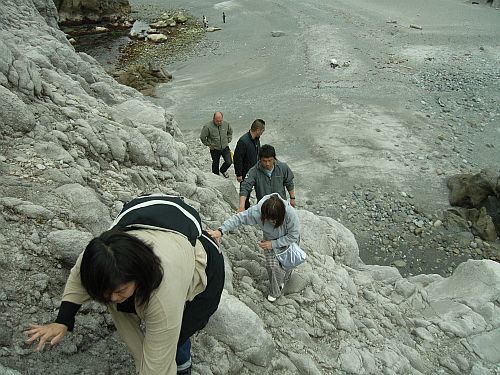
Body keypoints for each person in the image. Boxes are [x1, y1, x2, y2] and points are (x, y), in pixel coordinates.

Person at [25, 195, 225, 375]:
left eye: (119, 290)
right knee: (122, 306)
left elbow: (157, 365)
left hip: (205, 270)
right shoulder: (102, 255)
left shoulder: (164, 289)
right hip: (161, 243)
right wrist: (63, 320)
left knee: (174, 339)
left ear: (139, 276)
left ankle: (183, 367)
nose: (112, 298)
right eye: (106, 292)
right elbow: (79, 278)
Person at [208, 193, 299, 302]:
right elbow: (239, 218)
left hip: (288, 241)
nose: (272, 222)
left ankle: (285, 278)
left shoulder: (290, 213)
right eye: (269, 220)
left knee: (287, 264)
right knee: (272, 266)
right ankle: (276, 291)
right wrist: (221, 231)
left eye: (275, 221)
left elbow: (293, 235)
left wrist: (274, 244)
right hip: (269, 240)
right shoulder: (257, 212)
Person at [238, 144, 295, 212]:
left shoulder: (283, 167)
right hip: (264, 208)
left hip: (281, 206)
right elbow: (245, 187)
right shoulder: (254, 171)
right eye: (264, 161)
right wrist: (241, 206)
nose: (267, 164)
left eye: (269, 160)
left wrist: (292, 198)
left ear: (274, 158)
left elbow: (289, 183)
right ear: (260, 159)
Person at [233, 119, 266, 209]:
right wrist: (239, 174)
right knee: (245, 194)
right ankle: (245, 211)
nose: (263, 133)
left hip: (256, 171)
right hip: (245, 173)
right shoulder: (243, 141)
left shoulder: (256, 140)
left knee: (260, 191)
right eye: (262, 131)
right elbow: (237, 158)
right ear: (258, 130)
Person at [200, 111, 233, 178]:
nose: (219, 122)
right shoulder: (207, 126)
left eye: (220, 121)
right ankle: (216, 177)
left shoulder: (226, 124)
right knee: (215, 164)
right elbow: (202, 137)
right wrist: (208, 144)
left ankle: (223, 170)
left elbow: (230, 132)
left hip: (225, 147)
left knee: (229, 162)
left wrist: (228, 140)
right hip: (214, 149)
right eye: (217, 121)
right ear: (213, 119)